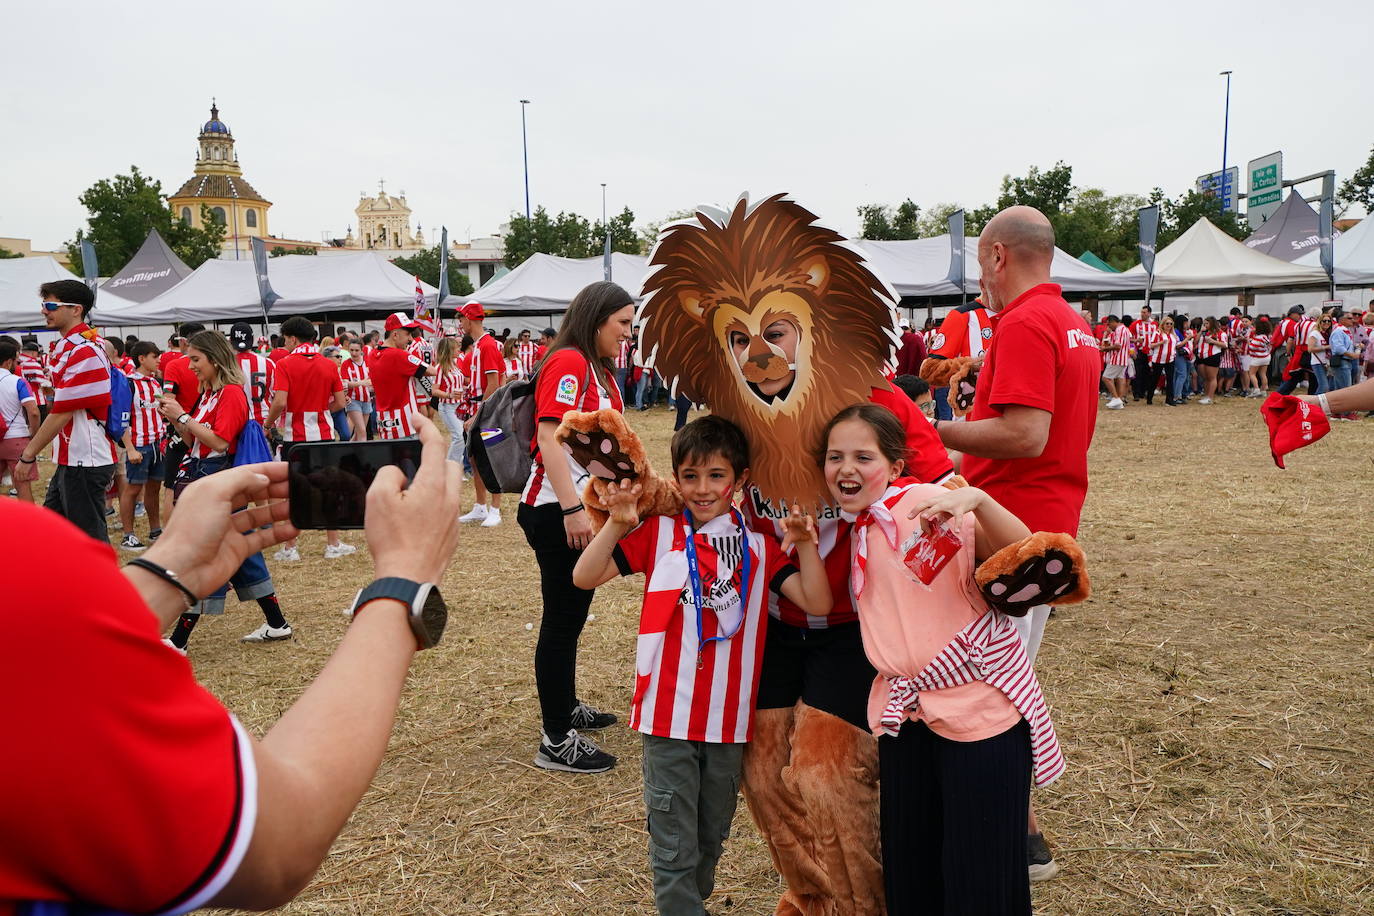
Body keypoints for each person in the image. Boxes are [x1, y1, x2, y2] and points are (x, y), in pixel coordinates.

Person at [0, 415, 461, 915]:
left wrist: (170, 568)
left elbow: (51, 661)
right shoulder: (23, 555)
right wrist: (402, 581)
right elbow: (278, 842)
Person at [573, 415, 831, 915]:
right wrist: (620, 523)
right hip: (666, 716)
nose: (702, 488)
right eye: (689, 476)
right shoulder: (660, 533)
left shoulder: (757, 548)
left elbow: (816, 601)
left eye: (716, 475)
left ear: (741, 480)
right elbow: (585, 576)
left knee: (710, 836)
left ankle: (690, 900)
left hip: (728, 722)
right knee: (672, 841)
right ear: (675, 479)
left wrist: (802, 542)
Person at [821, 404, 1060, 914]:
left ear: (896, 464)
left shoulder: (925, 502)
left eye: (863, 456)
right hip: (905, 715)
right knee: (913, 862)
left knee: (982, 872)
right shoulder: (854, 527)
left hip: (979, 714)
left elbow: (1025, 552)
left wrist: (978, 500)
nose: (846, 468)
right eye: (834, 456)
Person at [930, 204, 1100, 882]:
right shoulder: (1072, 322)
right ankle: (1018, 826)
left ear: (998, 256)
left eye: (980, 264)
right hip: (1042, 521)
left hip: (1011, 529)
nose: (982, 280)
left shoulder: (1028, 321)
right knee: (1004, 672)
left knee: (990, 683)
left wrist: (929, 429)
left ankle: (1014, 829)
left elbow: (1026, 435)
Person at [517, 280, 634, 773]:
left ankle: (564, 709)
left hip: (575, 509)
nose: (628, 334)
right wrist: (571, 510)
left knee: (571, 617)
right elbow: (549, 436)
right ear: (597, 319)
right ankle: (556, 739)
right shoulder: (569, 361)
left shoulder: (595, 367)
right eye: (623, 323)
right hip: (555, 510)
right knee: (562, 622)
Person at [153, 329, 292, 650]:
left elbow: (219, 442)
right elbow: (194, 440)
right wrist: (176, 420)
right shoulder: (209, 393)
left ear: (215, 359)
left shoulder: (231, 393)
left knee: (207, 556)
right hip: (203, 476)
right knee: (240, 551)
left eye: (196, 359)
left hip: (217, 480)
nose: (190, 366)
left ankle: (179, 641)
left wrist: (183, 415)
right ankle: (277, 623)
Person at [17, 280, 117, 542]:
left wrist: (28, 455)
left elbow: (63, 411)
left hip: (85, 458)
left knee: (89, 542)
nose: (44, 311)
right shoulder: (74, 346)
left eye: (50, 305)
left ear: (76, 310)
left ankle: (103, 584)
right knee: (56, 537)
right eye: (44, 305)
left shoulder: (85, 350)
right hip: (73, 459)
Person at [266, 316, 352, 561]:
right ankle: (333, 544)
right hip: (323, 434)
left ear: (293, 338)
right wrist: (323, 411)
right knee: (328, 488)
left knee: (295, 491)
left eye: (285, 339)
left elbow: (280, 401)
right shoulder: (329, 365)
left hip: (296, 437)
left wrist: (268, 424)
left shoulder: (284, 364)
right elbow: (339, 401)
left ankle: (291, 548)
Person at [457, 302, 505, 528]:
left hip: (486, 411)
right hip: (478, 407)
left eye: (461, 318)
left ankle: (495, 508)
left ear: (469, 319)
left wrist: (478, 414)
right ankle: (480, 505)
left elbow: (494, 383)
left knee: (492, 460)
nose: (459, 323)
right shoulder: (479, 345)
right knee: (475, 458)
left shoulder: (487, 345)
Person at [117, 341, 165, 549]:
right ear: (142, 358)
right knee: (132, 489)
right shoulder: (129, 384)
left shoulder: (155, 383)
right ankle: (128, 535)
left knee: (154, 488)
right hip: (139, 445)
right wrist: (129, 448)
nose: (158, 360)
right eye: (154, 357)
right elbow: (122, 418)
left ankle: (156, 530)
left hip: (158, 444)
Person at [368, 312, 440, 441]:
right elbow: (432, 371)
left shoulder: (373, 354)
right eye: (407, 334)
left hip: (384, 420)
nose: (410, 338)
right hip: (404, 424)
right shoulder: (400, 355)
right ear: (395, 334)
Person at [0, 340, 40, 503]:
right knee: (22, 487)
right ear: (9, 361)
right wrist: (34, 433)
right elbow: (34, 411)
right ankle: (29, 526)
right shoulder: (17, 381)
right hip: (16, 437)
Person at [432, 335, 467, 466]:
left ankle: (456, 466)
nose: (459, 349)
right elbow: (434, 390)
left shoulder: (455, 365)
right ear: (449, 350)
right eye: (456, 347)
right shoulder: (440, 368)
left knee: (460, 437)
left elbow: (458, 384)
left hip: (459, 406)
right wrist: (449, 394)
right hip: (447, 407)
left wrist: (464, 389)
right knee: (459, 436)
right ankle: (450, 467)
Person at [341, 338, 374, 441]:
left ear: (361, 350)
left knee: (357, 434)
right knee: (362, 432)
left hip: (367, 399)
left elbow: (372, 380)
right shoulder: (346, 364)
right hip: (352, 400)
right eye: (351, 350)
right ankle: (362, 455)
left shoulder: (368, 362)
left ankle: (347, 454)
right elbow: (345, 384)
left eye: (356, 350)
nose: (354, 353)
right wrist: (361, 383)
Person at [1100, 315, 1131, 409]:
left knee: (1106, 378)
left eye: (1109, 324)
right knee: (1121, 378)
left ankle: (1116, 398)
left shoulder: (1119, 330)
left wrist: (1105, 348)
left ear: (1113, 322)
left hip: (1117, 358)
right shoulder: (1124, 329)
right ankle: (1119, 402)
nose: (1108, 327)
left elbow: (1118, 346)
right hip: (1123, 358)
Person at [1243, 318, 1273, 398]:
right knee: (1263, 374)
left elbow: (1251, 347)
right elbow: (1270, 346)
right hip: (1266, 357)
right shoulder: (1267, 337)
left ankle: (1256, 389)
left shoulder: (1258, 337)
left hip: (1257, 358)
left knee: (1252, 374)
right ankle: (1263, 391)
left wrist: (1249, 341)